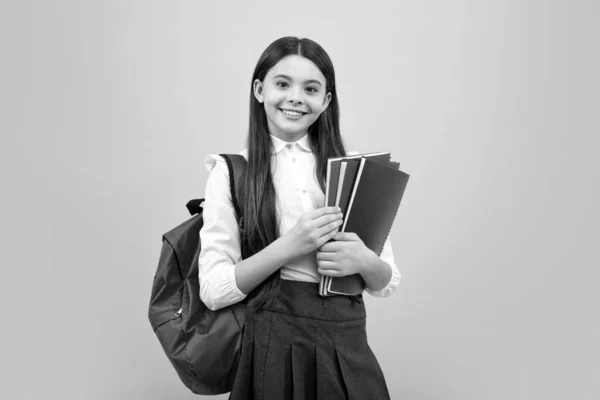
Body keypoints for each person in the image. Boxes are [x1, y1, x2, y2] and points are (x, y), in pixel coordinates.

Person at [198, 36, 401, 400]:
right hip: (270, 345)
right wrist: (288, 247)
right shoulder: (231, 172)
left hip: (345, 339)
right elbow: (213, 290)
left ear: (325, 101)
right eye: (282, 84)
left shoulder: (354, 169)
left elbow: (387, 281)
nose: (295, 97)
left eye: (310, 88)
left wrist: (361, 259)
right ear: (259, 90)